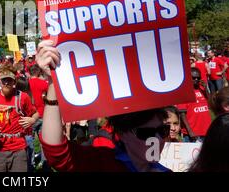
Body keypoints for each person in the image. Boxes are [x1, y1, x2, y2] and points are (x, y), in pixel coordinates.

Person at [36, 40, 171, 172]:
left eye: (163, 130)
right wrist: (54, 80)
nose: (158, 140)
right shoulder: (103, 163)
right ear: (123, 134)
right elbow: (57, 153)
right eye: (146, 134)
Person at [0, 67, 39, 172]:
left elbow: (36, 113)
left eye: (9, 80)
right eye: (4, 80)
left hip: (19, 148)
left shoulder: (22, 97)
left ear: (14, 82)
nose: (6, 83)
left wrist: (32, 120)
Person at [176, 67, 212, 142]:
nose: (196, 80)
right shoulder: (184, 93)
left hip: (206, 131)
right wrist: (190, 131)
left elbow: (211, 104)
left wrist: (206, 89)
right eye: (193, 78)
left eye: (198, 78)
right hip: (192, 134)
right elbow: (182, 114)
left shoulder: (202, 90)